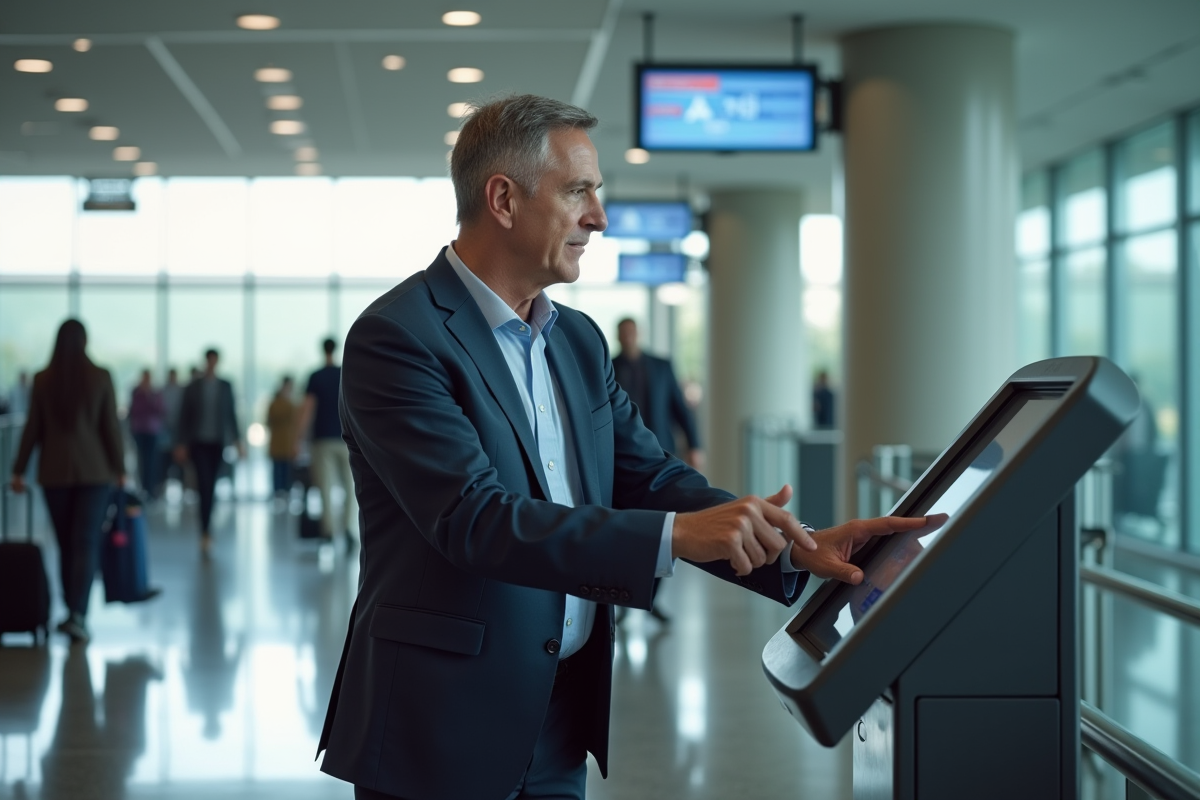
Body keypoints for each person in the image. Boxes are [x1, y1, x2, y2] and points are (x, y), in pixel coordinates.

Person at [316, 95, 927, 800]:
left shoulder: (576, 340)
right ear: (504, 200)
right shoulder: (399, 337)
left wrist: (791, 544)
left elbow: (646, 475)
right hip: (440, 725)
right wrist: (674, 537)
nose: (598, 217)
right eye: (579, 191)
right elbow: (474, 519)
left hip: (556, 720)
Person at [9, 319, 125, 643]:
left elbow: (33, 428)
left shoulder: (43, 380)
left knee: (64, 543)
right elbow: (110, 428)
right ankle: (78, 615)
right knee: (85, 541)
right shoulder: (100, 376)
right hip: (95, 472)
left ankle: (70, 610)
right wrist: (120, 467)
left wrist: (18, 470)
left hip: (55, 473)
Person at [175, 349, 244, 557]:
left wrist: (237, 440)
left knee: (211, 485)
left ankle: (207, 528)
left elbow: (231, 414)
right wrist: (181, 443)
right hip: (198, 443)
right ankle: (205, 530)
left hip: (217, 443)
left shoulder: (225, 386)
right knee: (203, 484)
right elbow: (184, 416)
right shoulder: (193, 387)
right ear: (206, 361)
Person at [611, 317, 703, 469]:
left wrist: (694, 445)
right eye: (623, 333)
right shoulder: (610, 368)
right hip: (624, 449)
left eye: (631, 332)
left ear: (639, 334)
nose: (628, 337)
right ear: (617, 336)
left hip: (662, 446)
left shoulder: (661, 367)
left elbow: (680, 408)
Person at [297, 338, 358, 545]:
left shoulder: (316, 377)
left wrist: (300, 438)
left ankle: (329, 530)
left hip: (322, 439)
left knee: (326, 486)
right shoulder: (346, 374)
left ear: (323, 350)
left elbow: (308, 409)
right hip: (347, 439)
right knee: (350, 486)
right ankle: (349, 529)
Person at [129, 369, 165, 496]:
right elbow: (134, 410)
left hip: (152, 431)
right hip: (139, 430)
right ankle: (142, 487)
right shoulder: (136, 392)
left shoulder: (155, 392)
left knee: (151, 460)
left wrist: (149, 398)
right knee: (141, 460)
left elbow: (160, 410)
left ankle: (150, 488)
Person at [266, 376, 298, 498]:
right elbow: (269, 420)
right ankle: (278, 493)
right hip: (278, 443)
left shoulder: (292, 403)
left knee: (287, 472)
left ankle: (285, 493)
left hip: (288, 443)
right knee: (278, 471)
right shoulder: (276, 403)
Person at [159, 368, 184, 493]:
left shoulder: (181, 390)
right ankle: (162, 486)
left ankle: (183, 488)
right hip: (165, 432)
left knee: (180, 462)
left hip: (178, 431)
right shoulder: (163, 391)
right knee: (164, 460)